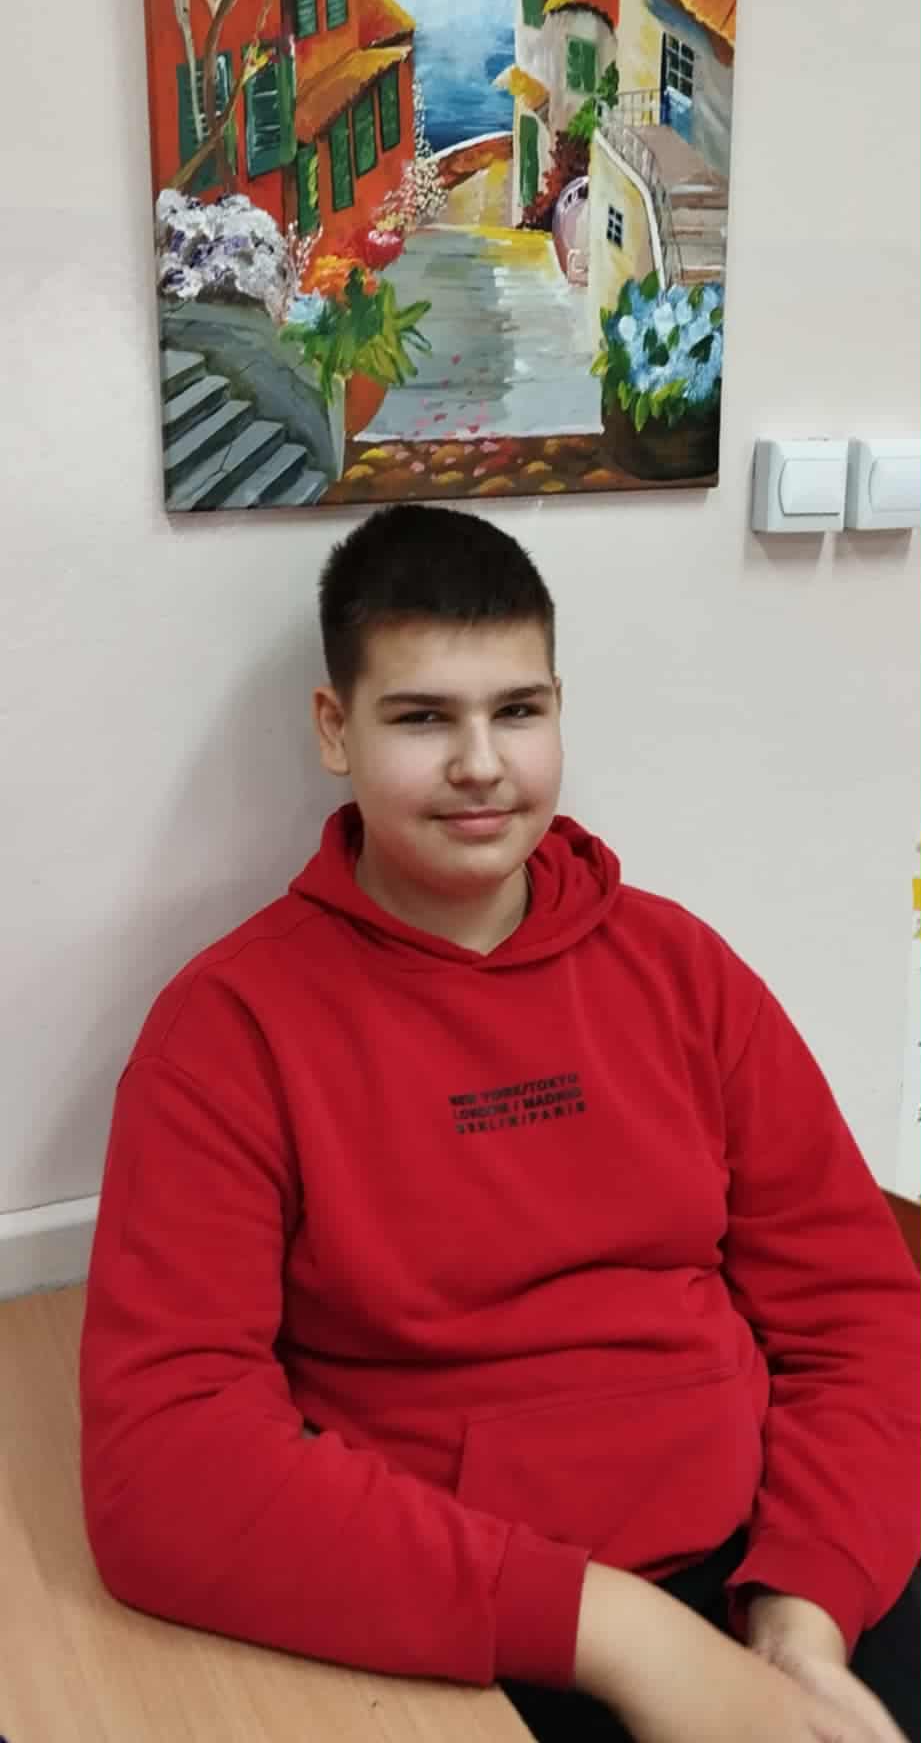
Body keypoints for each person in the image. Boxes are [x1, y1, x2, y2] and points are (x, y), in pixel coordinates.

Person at [79, 503, 920, 1743]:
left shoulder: (683, 970)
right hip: (475, 1624)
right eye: (423, 717)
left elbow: (856, 1313)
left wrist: (808, 1610)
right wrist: (624, 1636)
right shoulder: (228, 1030)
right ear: (335, 728)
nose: (481, 762)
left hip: (781, 1569)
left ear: (559, 710)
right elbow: (164, 1465)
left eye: (517, 710)